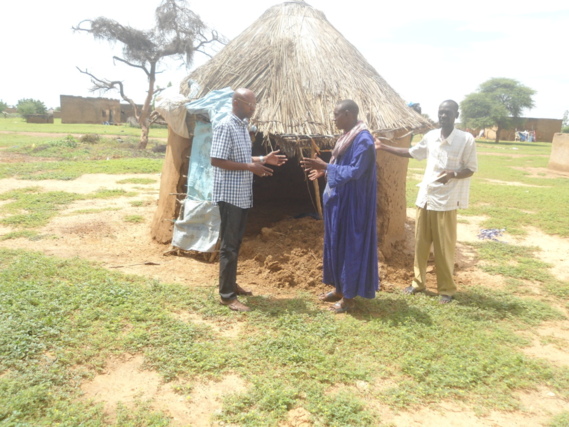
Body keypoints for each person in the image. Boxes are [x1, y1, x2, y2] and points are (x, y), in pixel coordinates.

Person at [376, 100, 477, 303]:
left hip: (446, 201)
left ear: (456, 115)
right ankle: (418, 283)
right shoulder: (431, 137)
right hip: (425, 198)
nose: (443, 116)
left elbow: (471, 168)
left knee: (444, 247)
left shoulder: (466, 139)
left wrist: (453, 174)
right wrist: (383, 147)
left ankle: (446, 289)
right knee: (421, 245)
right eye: (440, 113)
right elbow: (412, 153)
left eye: (448, 113)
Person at [211, 88, 287, 312]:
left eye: (254, 105)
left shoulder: (242, 127)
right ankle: (227, 295)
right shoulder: (226, 126)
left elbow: (242, 158)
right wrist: (249, 167)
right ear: (236, 102)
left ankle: (231, 284)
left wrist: (264, 159)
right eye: (249, 105)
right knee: (229, 246)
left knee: (235, 243)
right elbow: (216, 160)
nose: (253, 109)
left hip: (241, 194)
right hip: (229, 194)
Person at [300, 100, 379, 313]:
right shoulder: (348, 136)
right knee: (336, 244)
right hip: (340, 200)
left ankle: (349, 297)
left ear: (348, 113)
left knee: (350, 247)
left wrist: (325, 166)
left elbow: (355, 171)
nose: (333, 119)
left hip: (354, 205)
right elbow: (342, 167)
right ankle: (339, 290)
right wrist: (326, 171)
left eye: (336, 115)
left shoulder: (363, 140)